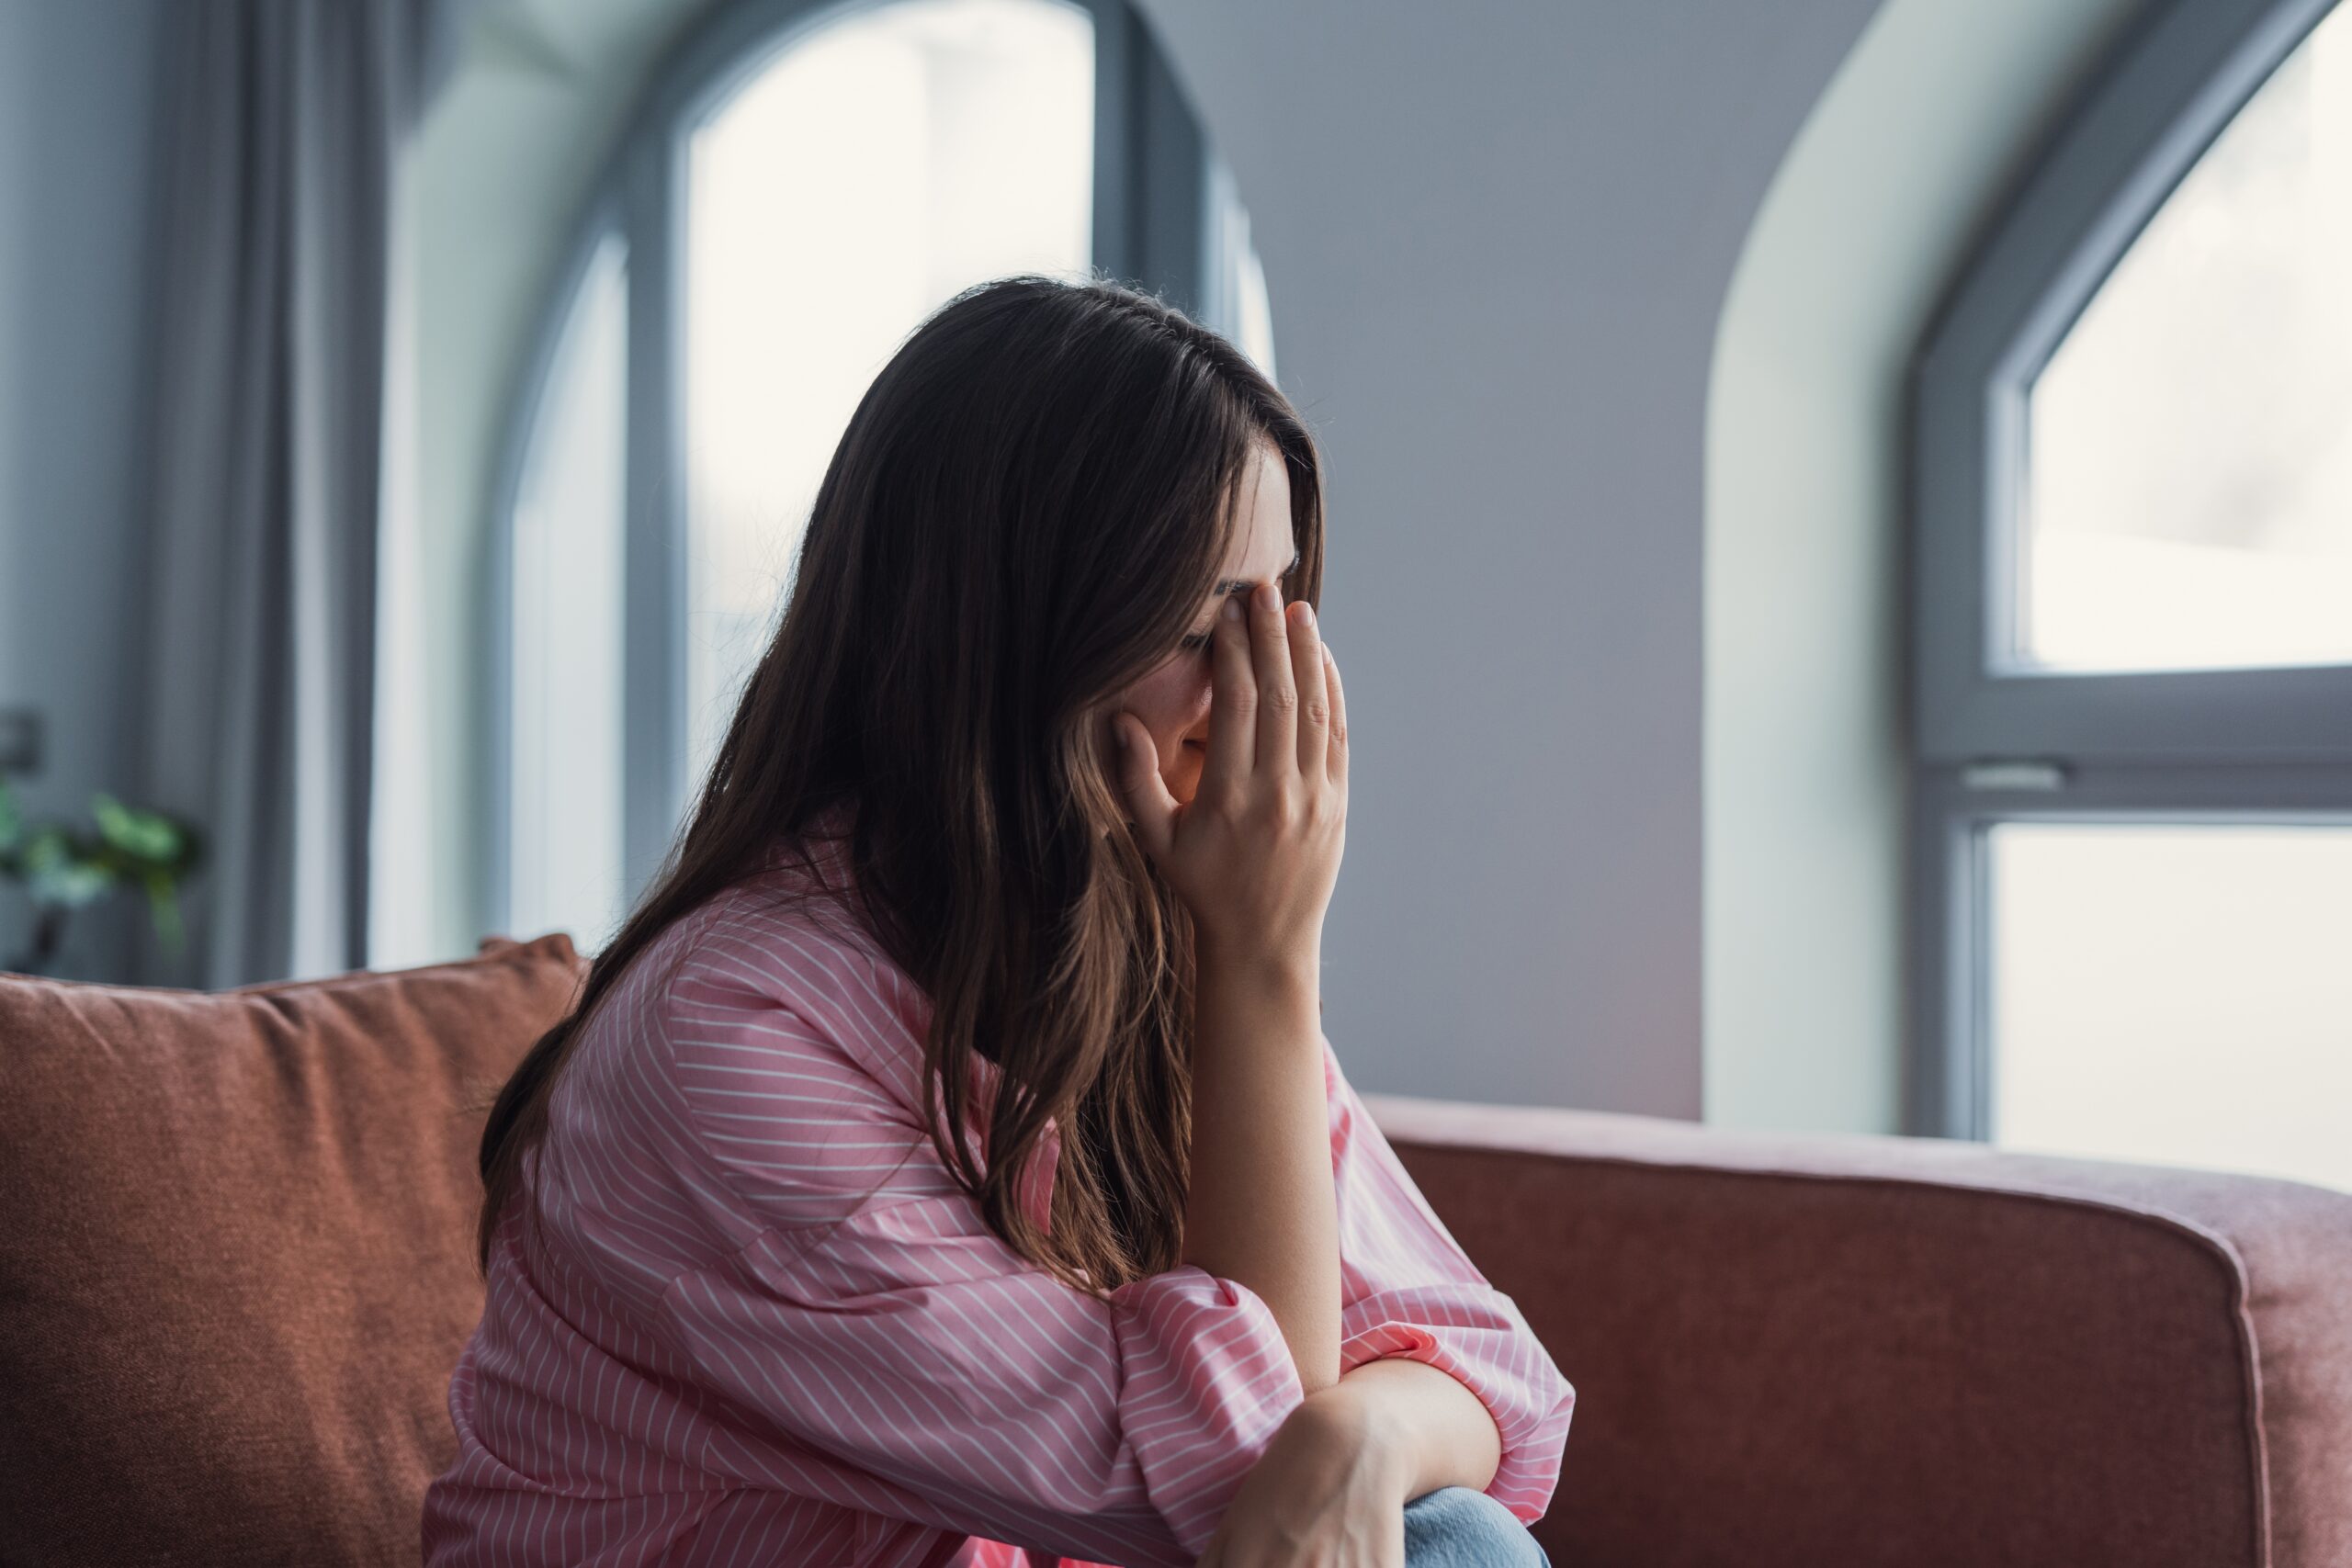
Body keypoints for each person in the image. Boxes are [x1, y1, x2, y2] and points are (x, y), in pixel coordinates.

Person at [422, 275, 1574, 1567]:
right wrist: (1265, 957)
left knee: (1451, 1532)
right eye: (1203, 626)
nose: (1252, 699)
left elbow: (1488, 1366)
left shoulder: (1143, 945)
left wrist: (1361, 1439)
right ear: (1017, 636)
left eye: (1275, 615)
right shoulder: (725, 1038)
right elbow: (1225, 1488)